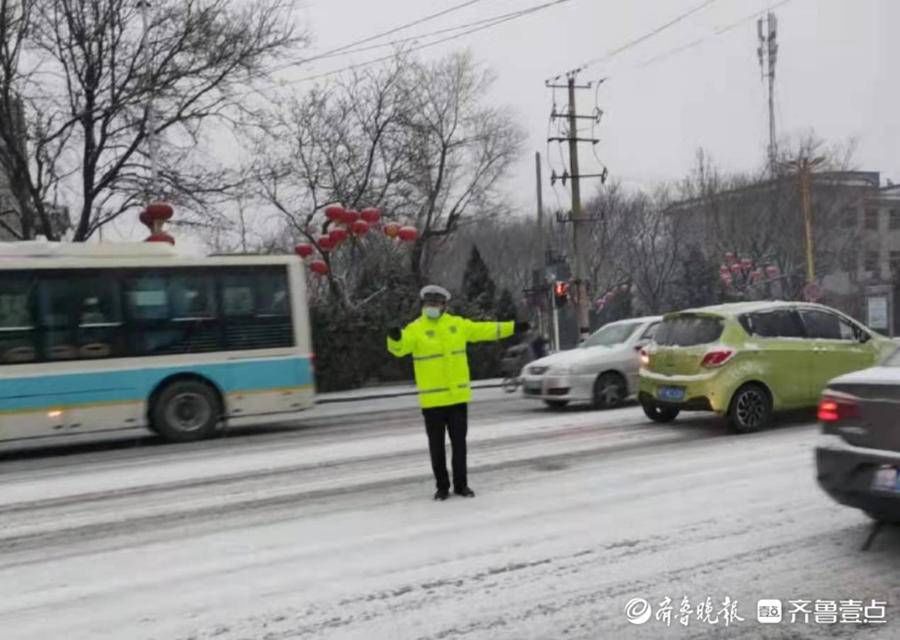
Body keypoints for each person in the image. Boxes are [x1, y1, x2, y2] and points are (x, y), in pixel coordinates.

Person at [387, 285, 528, 501]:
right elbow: (400, 347)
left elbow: (485, 330)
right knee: (437, 448)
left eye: (436, 303)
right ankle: (442, 488)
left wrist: (513, 327)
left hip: (457, 399)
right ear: (423, 305)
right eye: (429, 303)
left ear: (444, 305)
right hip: (432, 401)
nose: (432, 307)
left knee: (459, 446)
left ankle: (461, 485)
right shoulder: (415, 329)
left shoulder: (457, 325)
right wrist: (394, 337)